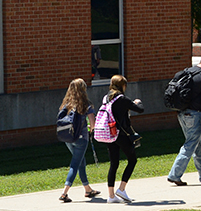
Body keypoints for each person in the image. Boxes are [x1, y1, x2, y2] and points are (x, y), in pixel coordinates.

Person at [167, 57, 201, 186]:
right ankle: (175, 175)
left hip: (181, 112)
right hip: (194, 114)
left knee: (197, 144)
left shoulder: (186, 72)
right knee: (190, 144)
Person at [58, 78, 100, 203]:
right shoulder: (86, 104)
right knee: (75, 164)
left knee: (81, 162)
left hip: (68, 138)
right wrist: (89, 128)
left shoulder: (66, 104)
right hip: (81, 139)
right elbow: (93, 124)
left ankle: (88, 189)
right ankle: (64, 193)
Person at [103, 75, 144, 203]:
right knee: (132, 160)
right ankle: (121, 189)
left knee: (114, 163)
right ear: (123, 86)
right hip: (122, 135)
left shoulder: (106, 98)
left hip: (110, 134)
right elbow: (140, 110)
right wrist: (137, 102)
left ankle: (111, 196)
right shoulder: (123, 99)